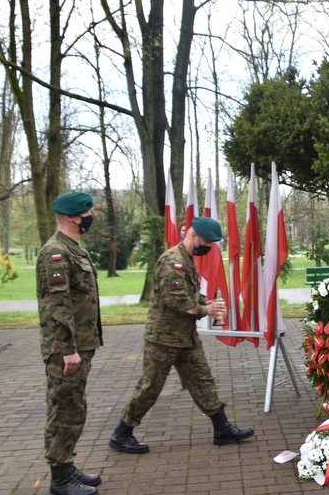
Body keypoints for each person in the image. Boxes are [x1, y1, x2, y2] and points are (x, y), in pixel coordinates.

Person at [108, 217, 254, 453]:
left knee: (202, 380)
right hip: (163, 338)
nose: (207, 247)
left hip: (185, 336)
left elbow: (189, 293)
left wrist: (205, 301)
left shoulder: (186, 259)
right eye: (206, 241)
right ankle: (122, 434)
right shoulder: (172, 261)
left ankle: (222, 428)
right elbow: (175, 300)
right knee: (150, 387)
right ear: (193, 235)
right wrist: (205, 310)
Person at [37, 192, 103, 495]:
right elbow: (57, 305)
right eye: (86, 212)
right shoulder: (57, 252)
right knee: (66, 410)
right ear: (71, 217)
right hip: (66, 349)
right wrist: (67, 350)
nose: (90, 216)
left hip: (79, 344)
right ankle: (60, 480)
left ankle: (65, 467)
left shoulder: (71, 249)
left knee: (71, 408)